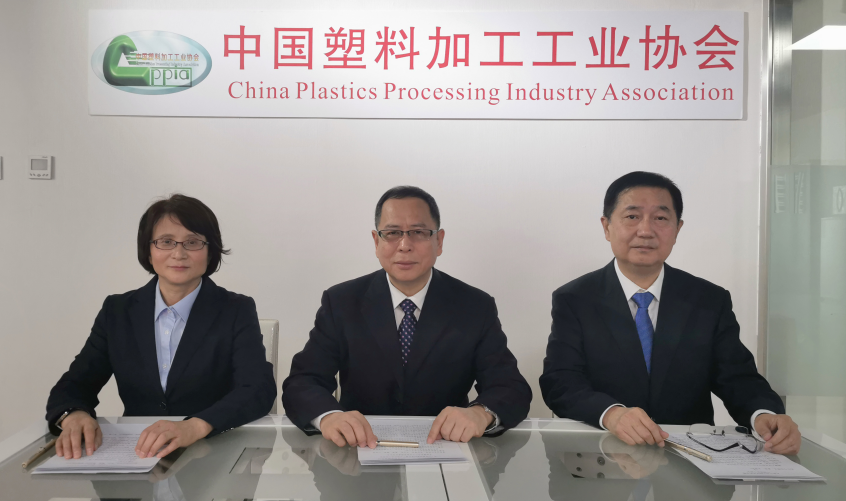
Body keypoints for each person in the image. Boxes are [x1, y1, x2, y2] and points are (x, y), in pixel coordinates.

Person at [540, 172, 801, 455]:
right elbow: (560, 382)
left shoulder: (709, 300)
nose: (646, 230)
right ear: (607, 227)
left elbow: (737, 377)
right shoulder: (575, 299)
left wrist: (763, 414)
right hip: (603, 455)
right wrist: (611, 414)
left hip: (689, 456)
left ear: (677, 229)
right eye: (632, 216)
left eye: (661, 218)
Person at [282, 186, 532, 448]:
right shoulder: (342, 302)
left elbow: (510, 387)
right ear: (376, 241)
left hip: (445, 449)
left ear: (439, 241)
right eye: (392, 233)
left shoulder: (475, 306)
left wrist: (481, 413)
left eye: (419, 232)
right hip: (359, 449)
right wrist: (329, 417)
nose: (404, 246)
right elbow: (303, 381)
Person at [46, 194, 276, 460]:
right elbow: (75, 384)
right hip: (137, 455)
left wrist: (196, 425)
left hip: (213, 454)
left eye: (192, 242)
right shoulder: (117, 311)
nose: (179, 253)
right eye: (166, 242)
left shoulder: (236, 309)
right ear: (148, 250)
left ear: (210, 251)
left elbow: (257, 388)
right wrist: (74, 414)